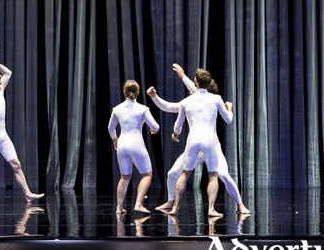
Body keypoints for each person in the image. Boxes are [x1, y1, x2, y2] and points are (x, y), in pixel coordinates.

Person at [147, 66, 250, 214]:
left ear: (197, 84)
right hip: (208, 143)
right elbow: (168, 106)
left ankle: (240, 205)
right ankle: (171, 202)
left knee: (223, 175)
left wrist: (182, 77)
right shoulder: (201, 100)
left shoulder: (195, 101)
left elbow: (175, 108)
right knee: (173, 173)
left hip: (197, 144)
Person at [0, 58, 44, 205]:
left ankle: (28, 194)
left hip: (2, 134)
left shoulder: (0, 89)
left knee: (16, 164)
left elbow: (8, 72)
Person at [168, 69, 233, 216]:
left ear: (195, 82)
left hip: (193, 139)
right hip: (209, 139)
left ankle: (174, 207)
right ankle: (210, 209)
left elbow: (178, 124)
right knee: (212, 174)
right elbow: (228, 119)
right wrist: (230, 109)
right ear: (209, 83)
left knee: (184, 173)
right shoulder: (216, 99)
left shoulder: (186, 101)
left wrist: (175, 134)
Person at [107, 80, 160, 214]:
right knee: (147, 175)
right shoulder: (142, 109)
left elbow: (110, 128)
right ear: (138, 92)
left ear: (124, 92)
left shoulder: (117, 109)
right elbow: (155, 126)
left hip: (122, 144)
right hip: (136, 143)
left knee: (124, 177)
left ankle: (119, 208)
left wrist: (115, 140)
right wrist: (153, 130)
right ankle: (138, 204)